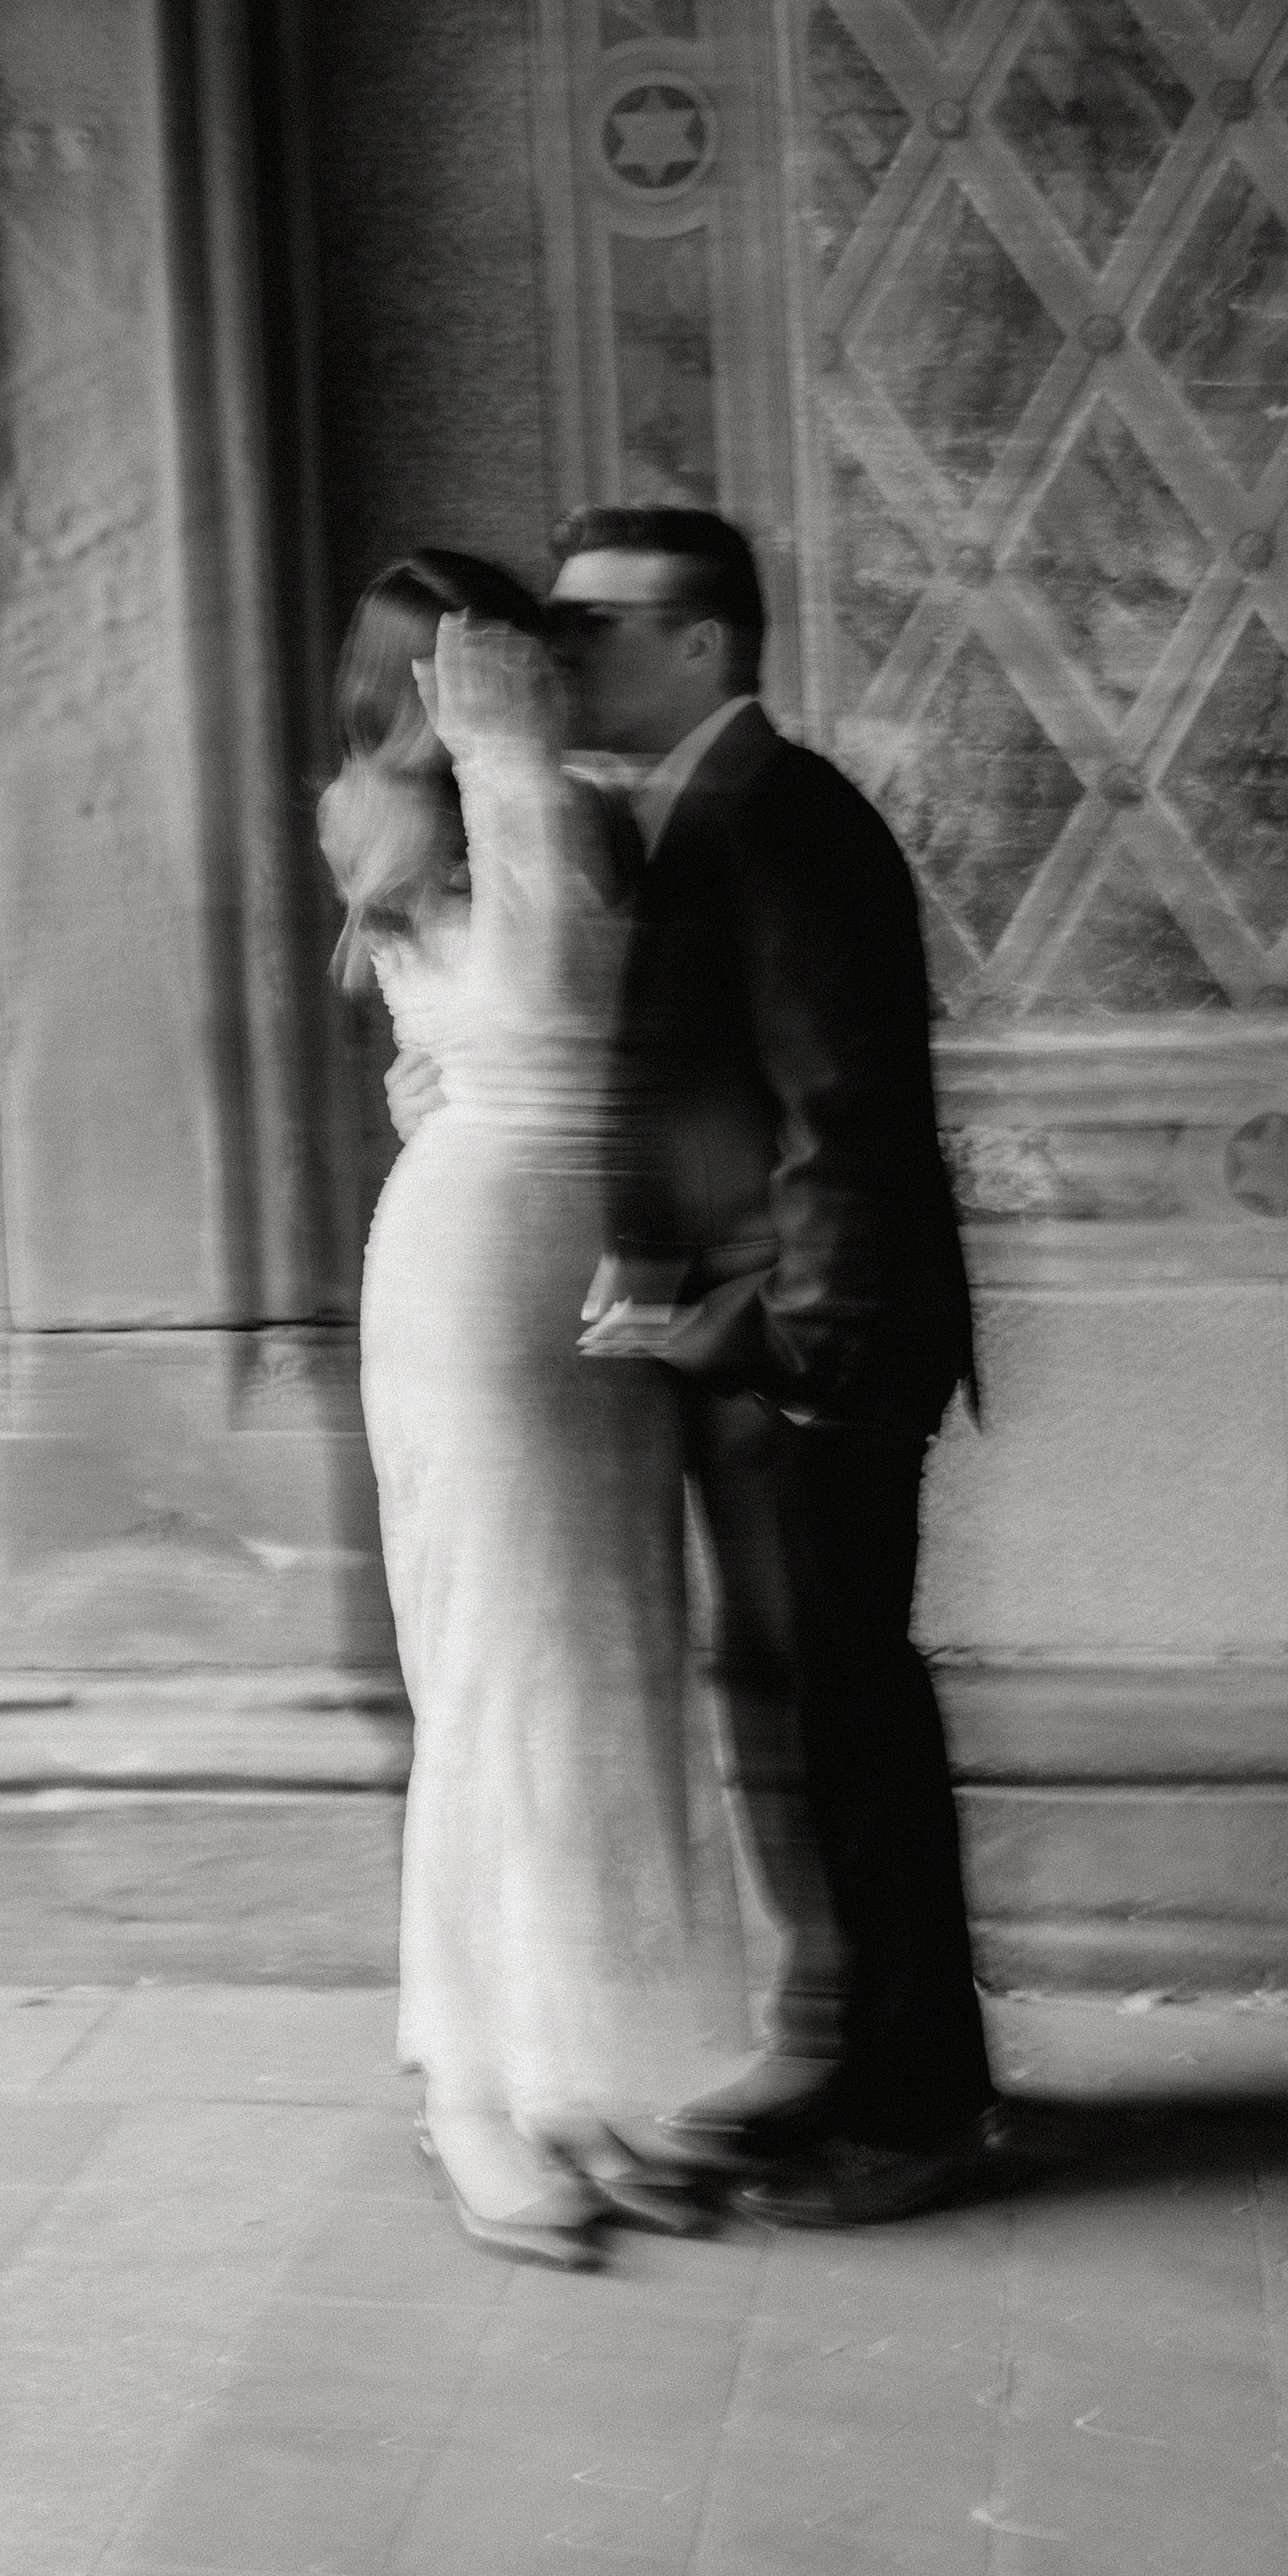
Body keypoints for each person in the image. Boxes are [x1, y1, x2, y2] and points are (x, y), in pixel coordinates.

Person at [549, 505, 1002, 2226]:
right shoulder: (691, 820)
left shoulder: (786, 818)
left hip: (813, 1361)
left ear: (704, 643)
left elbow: (845, 1118)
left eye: (599, 624)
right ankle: (839, 2051)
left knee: (850, 1729)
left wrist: (804, 1355)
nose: (566, 652)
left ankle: (919, 2107)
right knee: (798, 1728)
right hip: (743, 1354)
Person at [317, 549, 739, 2269]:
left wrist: (535, 776)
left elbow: (647, 1042)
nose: (516, 684)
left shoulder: (586, 807)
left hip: (605, 1256)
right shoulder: (390, 818)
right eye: (476, 666)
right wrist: (495, 764)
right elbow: (540, 1002)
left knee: (614, 1658)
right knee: (496, 1665)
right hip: (476, 1268)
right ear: (421, 684)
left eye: (530, 658)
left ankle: (602, 2071)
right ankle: (471, 2084)